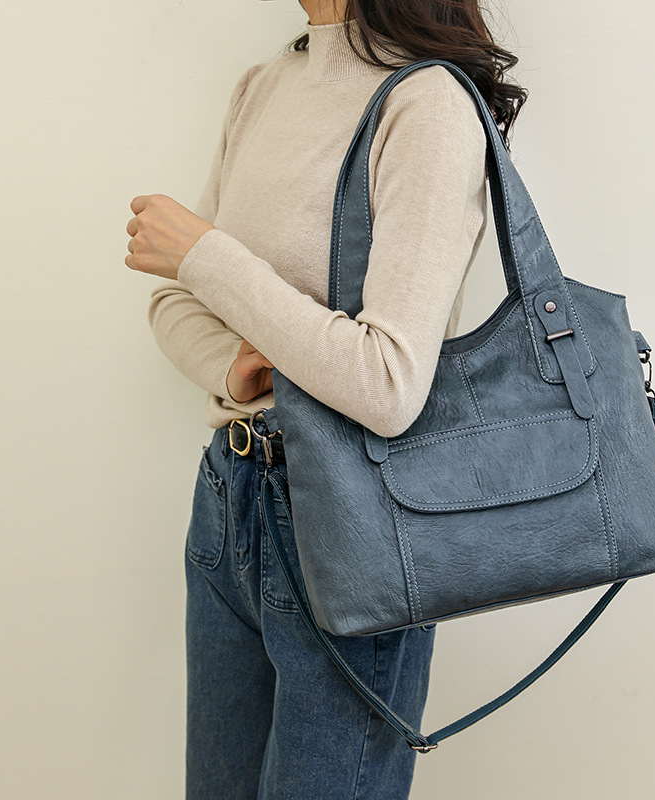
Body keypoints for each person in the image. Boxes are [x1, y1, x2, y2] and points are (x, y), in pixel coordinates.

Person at [125, 0, 527, 796]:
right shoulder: (267, 84)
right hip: (231, 491)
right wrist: (235, 364)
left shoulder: (428, 102)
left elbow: (388, 383)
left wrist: (206, 254)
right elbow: (175, 301)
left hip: (355, 516)